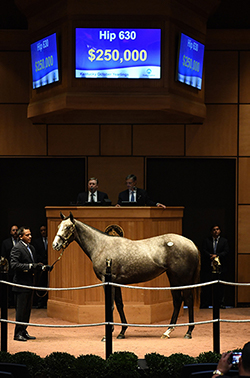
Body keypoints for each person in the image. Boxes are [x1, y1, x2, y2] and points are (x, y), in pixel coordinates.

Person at [10, 226, 52, 341]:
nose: (30, 237)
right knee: (21, 310)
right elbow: (14, 265)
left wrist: (43, 267)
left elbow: (34, 265)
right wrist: (29, 266)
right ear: (20, 236)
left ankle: (23, 331)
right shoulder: (17, 248)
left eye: (30, 234)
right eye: (27, 235)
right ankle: (17, 333)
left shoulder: (31, 248)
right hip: (21, 285)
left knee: (27, 310)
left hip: (30, 284)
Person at [200, 224, 229, 308]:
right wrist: (210, 256)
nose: (216, 231)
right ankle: (206, 303)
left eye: (217, 229)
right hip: (208, 267)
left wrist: (217, 256)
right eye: (214, 229)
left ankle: (220, 303)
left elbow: (226, 251)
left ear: (220, 231)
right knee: (207, 286)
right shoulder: (207, 241)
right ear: (211, 232)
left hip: (221, 267)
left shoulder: (224, 241)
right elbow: (204, 250)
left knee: (220, 286)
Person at [1, 225, 19, 307]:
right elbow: (3, 256)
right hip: (10, 269)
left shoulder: (21, 242)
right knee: (10, 287)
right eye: (13, 230)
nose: (15, 232)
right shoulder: (6, 242)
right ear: (10, 232)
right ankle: (10, 302)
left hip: (19, 268)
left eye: (16, 230)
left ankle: (17, 303)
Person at [32, 225, 48, 308]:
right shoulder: (37, 242)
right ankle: (40, 302)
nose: (43, 232)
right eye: (42, 230)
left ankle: (46, 302)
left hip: (49, 264)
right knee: (40, 284)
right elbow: (36, 253)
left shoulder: (52, 239)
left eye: (45, 230)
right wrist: (40, 262)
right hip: (41, 264)